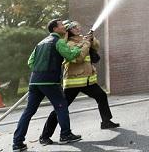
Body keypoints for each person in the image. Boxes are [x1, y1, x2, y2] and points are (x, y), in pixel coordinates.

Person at [12, 19, 90, 151]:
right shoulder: (58, 42)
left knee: (28, 112)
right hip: (50, 82)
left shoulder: (40, 43)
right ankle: (65, 134)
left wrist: (41, 70)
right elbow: (71, 56)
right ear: (55, 29)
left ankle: (17, 143)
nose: (64, 26)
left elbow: (30, 62)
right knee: (61, 106)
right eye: (61, 25)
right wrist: (81, 46)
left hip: (34, 81)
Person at [39, 20, 119, 145]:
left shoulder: (83, 39)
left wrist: (92, 39)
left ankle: (106, 121)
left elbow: (96, 46)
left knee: (101, 96)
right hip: (73, 82)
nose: (78, 28)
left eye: (78, 26)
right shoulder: (67, 43)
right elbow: (79, 57)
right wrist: (86, 42)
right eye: (74, 27)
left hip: (87, 80)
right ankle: (45, 136)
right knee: (61, 108)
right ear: (69, 30)